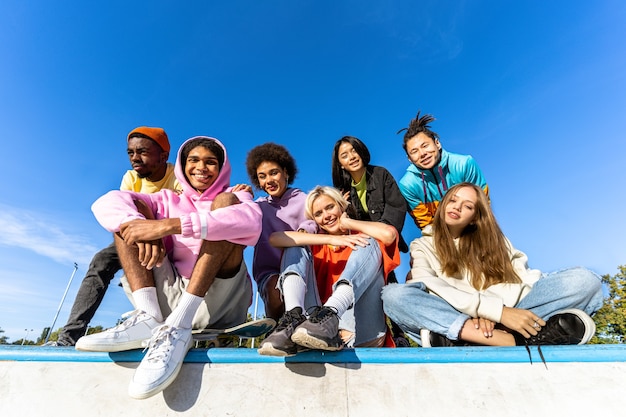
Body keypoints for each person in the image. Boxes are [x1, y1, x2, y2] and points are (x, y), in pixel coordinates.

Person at [76, 136, 262, 399]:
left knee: (225, 205)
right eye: (194, 160)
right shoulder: (165, 198)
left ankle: (180, 326)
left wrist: (168, 226)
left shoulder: (238, 194)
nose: (201, 167)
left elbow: (250, 223)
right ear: (182, 166)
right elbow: (108, 201)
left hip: (218, 298)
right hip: (168, 296)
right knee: (130, 216)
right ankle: (148, 317)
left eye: (210, 162)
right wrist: (141, 226)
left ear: (221, 168)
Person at [381, 183, 603, 355]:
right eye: (452, 200)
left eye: (467, 206)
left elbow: (523, 279)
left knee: (585, 281)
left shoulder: (496, 242)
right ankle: (515, 341)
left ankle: (471, 340)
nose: (457, 207)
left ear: (475, 218)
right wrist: (487, 311)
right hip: (461, 318)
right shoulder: (422, 245)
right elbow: (426, 283)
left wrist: (498, 313)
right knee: (393, 296)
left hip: (511, 313)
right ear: (443, 205)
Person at [48, 126, 181, 347]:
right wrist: (143, 230)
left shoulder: (179, 175)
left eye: (142, 152)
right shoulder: (130, 177)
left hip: (172, 237)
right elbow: (122, 211)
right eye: (130, 153)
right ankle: (69, 337)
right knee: (102, 260)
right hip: (140, 239)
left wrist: (153, 228)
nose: (135, 158)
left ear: (163, 156)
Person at [258, 186, 400, 357]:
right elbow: (276, 239)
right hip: (314, 330)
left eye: (330, 207)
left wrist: (348, 223)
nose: (326, 216)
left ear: (341, 205)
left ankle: (332, 312)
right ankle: (293, 319)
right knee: (294, 245)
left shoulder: (360, 237)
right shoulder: (317, 245)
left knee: (368, 240)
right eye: (318, 214)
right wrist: (332, 239)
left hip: (362, 331)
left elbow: (389, 234)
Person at [331, 135, 410, 346]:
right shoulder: (343, 191)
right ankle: (348, 328)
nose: (352, 157)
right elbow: (337, 224)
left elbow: (396, 209)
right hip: (361, 247)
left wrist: (376, 232)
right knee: (363, 283)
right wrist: (342, 206)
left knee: (389, 283)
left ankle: (399, 335)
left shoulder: (381, 175)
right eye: (345, 155)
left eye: (354, 150)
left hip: (382, 239)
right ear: (341, 164)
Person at [246, 143, 317, 320]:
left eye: (273, 173)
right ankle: (276, 329)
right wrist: (241, 195)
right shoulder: (258, 207)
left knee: (295, 251)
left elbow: (316, 221)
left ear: (286, 172)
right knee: (274, 288)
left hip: (303, 272)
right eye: (262, 176)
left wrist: (306, 229)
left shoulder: (304, 200)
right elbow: (239, 218)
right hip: (269, 273)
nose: (268, 180)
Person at [397, 111, 489, 230]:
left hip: (474, 227)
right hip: (440, 235)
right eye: (414, 151)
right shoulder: (408, 185)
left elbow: (483, 204)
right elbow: (425, 224)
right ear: (409, 159)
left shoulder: (464, 164)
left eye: (425, 146)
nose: (422, 154)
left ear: (437, 143)